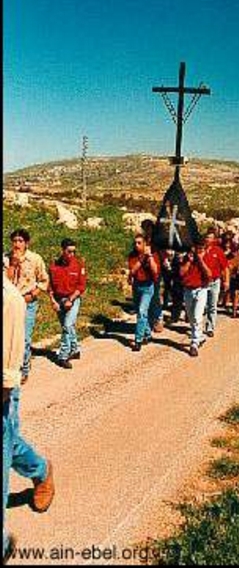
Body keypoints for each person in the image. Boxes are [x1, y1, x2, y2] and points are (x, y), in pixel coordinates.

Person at [3, 274, 55, 563]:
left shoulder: (8, 299)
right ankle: (40, 469)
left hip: (1, 392)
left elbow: (7, 378)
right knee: (10, 446)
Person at [5, 229, 49, 383]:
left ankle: (23, 368)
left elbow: (44, 280)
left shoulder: (35, 259)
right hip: (10, 304)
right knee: (9, 336)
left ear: (26, 243)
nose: (17, 244)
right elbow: (6, 281)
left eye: (20, 241)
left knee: (24, 337)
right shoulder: (6, 259)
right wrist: (13, 264)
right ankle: (10, 366)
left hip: (27, 302)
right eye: (15, 241)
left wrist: (33, 294)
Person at [48, 238, 87, 368]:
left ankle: (63, 356)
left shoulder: (79, 265)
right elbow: (50, 287)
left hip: (73, 299)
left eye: (74, 252)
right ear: (63, 250)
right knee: (67, 327)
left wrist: (70, 300)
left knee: (67, 325)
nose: (72, 255)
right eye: (69, 251)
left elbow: (81, 286)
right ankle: (75, 349)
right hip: (59, 300)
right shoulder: (54, 266)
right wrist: (53, 301)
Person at [127, 233, 160, 352]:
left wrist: (149, 257)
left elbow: (155, 270)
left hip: (148, 286)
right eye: (135, 243)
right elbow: (133, 270)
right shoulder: (133, 255)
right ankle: (147, 333)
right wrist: (142, 259)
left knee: (142, 311)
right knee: (140, 312)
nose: (136, 245)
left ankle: (138, 340)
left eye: (139, 243)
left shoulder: (153, 254)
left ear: (145, 244)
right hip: (137, 286)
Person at [180, 239, 212, 357]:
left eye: (201, 249)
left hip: (201, 289)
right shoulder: (187, 258)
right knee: (191, 316)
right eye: (197, 249)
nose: (199, 252)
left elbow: (209, 274)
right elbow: (181, 273)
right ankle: (200, 337)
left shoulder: (207, 258)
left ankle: (194, 343)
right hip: (188, 289)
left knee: (198, 316)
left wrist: (201, 260)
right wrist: (188, 261)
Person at [203, 229, 229, 338]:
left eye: (210, 237)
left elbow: (225, 267)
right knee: (202, 306)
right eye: (207, 237)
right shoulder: (201, 250)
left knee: (212, 306)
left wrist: (226, 281)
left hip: (215, 282)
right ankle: (197, 327)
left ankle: (210, 327)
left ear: (214, 239)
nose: (208, 239)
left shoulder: (218, 251)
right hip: (203, 282)